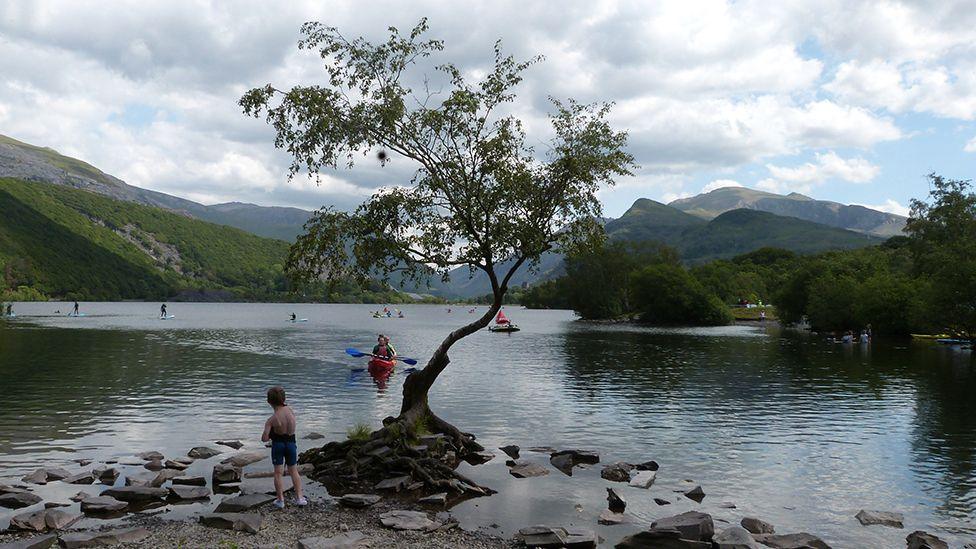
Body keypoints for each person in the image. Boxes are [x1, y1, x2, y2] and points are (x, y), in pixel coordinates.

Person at [261, 386, 307, 509]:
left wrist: (270, 434)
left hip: (278, 445)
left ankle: (280, 500)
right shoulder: (290, 411)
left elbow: (265, 438)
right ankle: (300, 498)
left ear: (269, 401)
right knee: (293, 470)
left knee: (278, 473)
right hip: (291, 443)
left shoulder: (271, 420)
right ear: (284, 399)